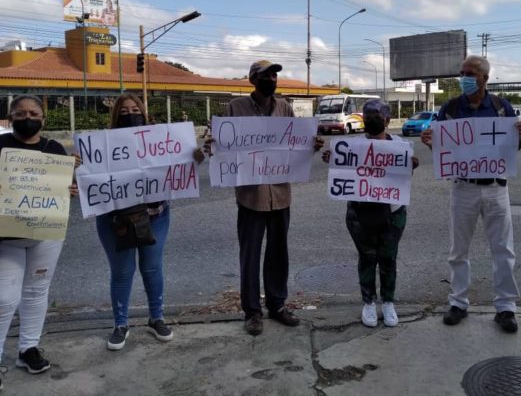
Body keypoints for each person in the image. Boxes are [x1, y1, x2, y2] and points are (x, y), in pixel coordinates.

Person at [212, 60, 323, 336]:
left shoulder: (284, 107)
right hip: (251, 195)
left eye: (274, 75)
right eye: (265, 75)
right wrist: (213, 145)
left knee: (278, 253)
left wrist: (311, 144)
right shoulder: (235, 108)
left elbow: (294, 143)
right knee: (250, 255)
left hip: (281, 194)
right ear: (252, 79)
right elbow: (223, 146)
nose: (271, 79)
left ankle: (277, 304)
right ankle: (251, 312)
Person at [421, 55, 521, 333]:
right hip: (463, 187)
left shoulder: (501, 108)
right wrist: (432, 143)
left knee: (503, 249)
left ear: (485, 79)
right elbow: (445, 151)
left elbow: (510, 150)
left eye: (470, 73)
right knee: (458, 249)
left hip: (496, 187)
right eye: (462, 73)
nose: (464, 78)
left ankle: (506, 307)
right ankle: (458, 302)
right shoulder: (451, 108)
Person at [95, 93, 204, 351]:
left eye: (134, 109)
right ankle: (120, 324)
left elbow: (181, 165)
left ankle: (157, 318)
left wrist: (197, 157)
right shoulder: (103, 143)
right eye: (123, 111)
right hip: (116, 219)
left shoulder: (160, 140)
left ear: (144, 113)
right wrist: (79, 165)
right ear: (115, 116)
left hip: (156, 216)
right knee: (121, 272)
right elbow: (90, 177)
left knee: (152, 268)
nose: (130, 114)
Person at [0, 95, 78, 390]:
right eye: (20, 113)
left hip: (45, 235)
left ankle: (27, 349)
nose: (27, 117)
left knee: (36, 292)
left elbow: (62, 187)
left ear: (43, 119)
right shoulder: (1, 146)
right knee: (4, 299)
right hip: (6, 237)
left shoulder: (55, 149)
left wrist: (69, 186)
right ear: (10, 117)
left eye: (33, 113)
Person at [321, 99, 418, 327]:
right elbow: (344, 173)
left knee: (388, 258)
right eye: (370, 116)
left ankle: (388, 302)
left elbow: (401, 180)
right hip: (360, 213)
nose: (375, 120)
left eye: (379, 116)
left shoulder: (400, 146)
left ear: (387, 120)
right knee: (366, 258)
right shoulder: (352, 147)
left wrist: (409, 165)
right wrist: (334, 160)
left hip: (392, 213)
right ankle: (368, 302)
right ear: (364, 119)